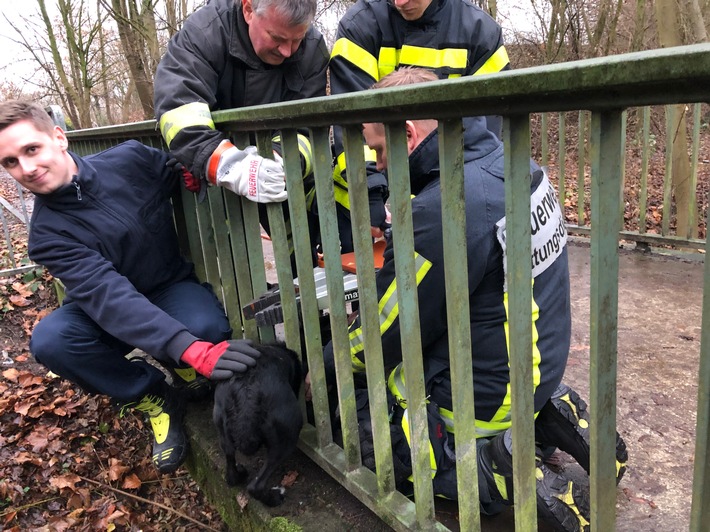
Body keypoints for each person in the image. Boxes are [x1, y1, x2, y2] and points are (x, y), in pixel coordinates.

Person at [315, 68, 627, 531]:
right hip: (538, 364)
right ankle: (546, 415)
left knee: (360, 417)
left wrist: (330, 361)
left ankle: (496, 470)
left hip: (485, 397)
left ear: (408, 134)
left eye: (379, 149)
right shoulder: (517, 163)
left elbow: (391, 329)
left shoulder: (445, 207)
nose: (379, 165)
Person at [0, 100, 263, 475]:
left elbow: (172, 167)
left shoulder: (130, 160)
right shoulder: (46, 236)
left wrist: (190, 174)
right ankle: (154, 393)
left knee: (208, 329)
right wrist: (191, 349)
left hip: (167, 285)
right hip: (103, 311)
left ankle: (183, 366)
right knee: (52, 341)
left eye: (31, 149)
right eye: (10, 162)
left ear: (58, 138)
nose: (26, 168)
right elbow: (109, 295)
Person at [153, 0, 329, 264]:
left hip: (281, 185)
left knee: (300, 257)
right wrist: (228, 165)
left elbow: (309, 129)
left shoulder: (313, 48)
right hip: (214, 179)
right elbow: (179, 108)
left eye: (297, 39)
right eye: (277, 38)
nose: (288, 51)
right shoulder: (205, 32)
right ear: (248, 10)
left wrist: (280, 161)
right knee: (231, 264)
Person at [327, 0, 511, 244]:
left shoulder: (480, 33)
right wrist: (370, 192)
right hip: (366, 202)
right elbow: (353, 123)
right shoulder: (360, 25)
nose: (400, 2)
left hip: (451, 202)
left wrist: (437, 209)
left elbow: (484, 141)